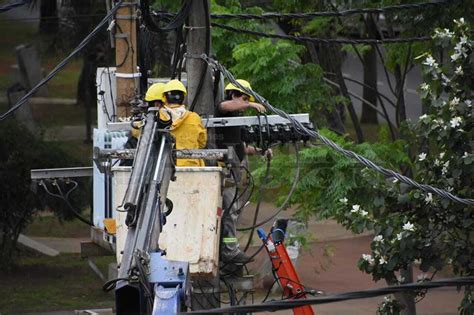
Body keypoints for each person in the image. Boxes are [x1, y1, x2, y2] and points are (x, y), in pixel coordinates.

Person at [216, 79, 268, 264]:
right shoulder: (221, 109)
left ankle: (228, 249)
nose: (246, 104)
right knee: (229, 211)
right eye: (243, 98)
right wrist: (251, 103)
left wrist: (261, 151)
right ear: (233, 94)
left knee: (232, 211)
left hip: (234, 171)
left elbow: (242, 147)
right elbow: (224, 105)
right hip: (224, 172)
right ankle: (229, 252)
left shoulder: (236, 119)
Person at [160, 79, 207, 167]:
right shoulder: (194, 118)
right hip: (191, 166)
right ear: (183, 97)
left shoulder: (157, 117)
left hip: (163, 168)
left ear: (164, 97)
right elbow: (202, 142)